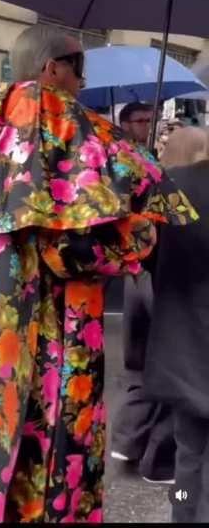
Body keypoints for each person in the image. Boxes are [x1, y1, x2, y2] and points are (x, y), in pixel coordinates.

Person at [0, 24, 197, 524]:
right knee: (37, 422)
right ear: (53, 67)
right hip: (33, 301)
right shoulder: (60, 116)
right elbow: (79, 240)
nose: (82, 81)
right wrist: (140, 232)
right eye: (79, 68)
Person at [143, 127, 209, 523]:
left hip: (181, 344)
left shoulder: (167, 188)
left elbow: (142, 254)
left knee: (188, 456)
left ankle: (183, 512)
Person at [111, 101, 176, 484]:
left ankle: (131, 439)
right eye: (140, 120)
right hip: (140, 266)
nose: (146, 125)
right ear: (125, 123)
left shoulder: (149, 159)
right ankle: (138, 442)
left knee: (147, 357)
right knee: (147, 354)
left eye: (150, 121)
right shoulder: (121, 158)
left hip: (148, 264)